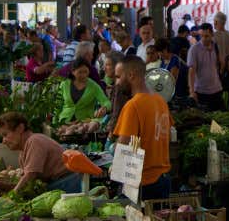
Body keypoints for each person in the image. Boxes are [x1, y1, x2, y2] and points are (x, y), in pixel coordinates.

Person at [113, 57, 173, 199]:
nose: (116, 82)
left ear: (131, 75)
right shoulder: (161, 101)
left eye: (118, 76)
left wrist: (113, 152)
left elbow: (124, 144)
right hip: (162, 179)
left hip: (141, 182)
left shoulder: (133, 105)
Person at [0, 111, 83, 193]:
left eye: (5, 135)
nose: (3, 141)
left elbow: (30, 176)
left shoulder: (34, 141)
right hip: (59, 184)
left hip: (67, 184)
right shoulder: (23, 152)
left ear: (20, 128)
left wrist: (11, 197)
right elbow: (28, 182)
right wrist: (6, 187)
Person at [57, 58, 111, 124]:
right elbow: (57, 106)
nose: (84, 75)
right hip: (64, 122)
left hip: (84, 124)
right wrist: (55, 123)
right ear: (73, 72)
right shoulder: (64, 84)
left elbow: (106, 101)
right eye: (80, 72)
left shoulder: (93, 86)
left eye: (85, 72)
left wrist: (105, 108)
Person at [188, 23, 224, 112]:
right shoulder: (194, 49)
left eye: (207, 36)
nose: (204, 39)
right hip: (201, 92)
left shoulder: (216, 46)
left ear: (212, 35)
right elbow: (191, 71)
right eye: (202, 36)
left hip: (216, 90)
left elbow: (221, 63)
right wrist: (192, 91)